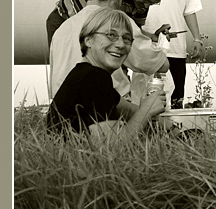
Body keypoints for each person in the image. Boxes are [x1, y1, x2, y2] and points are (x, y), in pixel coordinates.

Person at [49, 0, 171, 99]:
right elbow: (159, 64)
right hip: (102, 106)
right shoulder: (117, 21)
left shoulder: (61, 30)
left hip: (62, 106)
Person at [47, 8, 167, 140]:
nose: (121, 44)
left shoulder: (85, 74)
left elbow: (129, 111)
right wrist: (147, 110)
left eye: (127, 39)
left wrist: (173, 129)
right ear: (88, 40)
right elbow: (112, 146)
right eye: (111, 35)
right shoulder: (94, 78)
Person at [129, 0, 204, 108]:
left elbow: (189, 10)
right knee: (143, 95)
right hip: (146, 43)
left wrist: (197, 38)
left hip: (175, 48)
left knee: (176, 97)